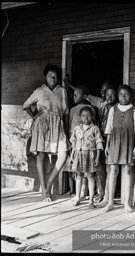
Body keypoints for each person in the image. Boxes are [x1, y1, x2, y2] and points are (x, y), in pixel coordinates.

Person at [23, 64, 70, 202]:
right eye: (50, 76)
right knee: (41, 156)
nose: (53, 78)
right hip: (41, 125)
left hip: (58, 124)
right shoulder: (39, 91)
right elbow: (25, 105)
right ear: (46, 76)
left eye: (55, 76)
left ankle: (47, 187)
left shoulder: (62, 91)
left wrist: (66, 130)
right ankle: (44, 191)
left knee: (63, 154)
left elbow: (66, 112)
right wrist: (34, 116)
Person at [103, 84, 135, 213]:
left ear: (130, 96)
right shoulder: (113, 110)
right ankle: (110, 202)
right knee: (113, 171)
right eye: (121, 94)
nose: (123, 97)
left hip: (128, 143)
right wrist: (107, 145)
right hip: (114, 143)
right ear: (118, 95)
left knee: (127, 172)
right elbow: (109, 129)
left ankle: (126, 203)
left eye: (126, 94)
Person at [63, 85, 97, 196]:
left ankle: (85, 192)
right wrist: (69, 142)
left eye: (77, 94)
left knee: (88, 171)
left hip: (88, 145)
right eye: (74, 93)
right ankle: (77, 192)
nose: (74, 95)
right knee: (77, 169)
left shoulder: (90, 108)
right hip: (76, 144)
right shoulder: (72, 109)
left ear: (85, 96)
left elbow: (94, 124)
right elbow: (69, 126)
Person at [69, 106, 104, 209]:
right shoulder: (77, 128)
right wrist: (72, 156)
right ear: (80, 117)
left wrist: (97, 158)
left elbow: (99, 143)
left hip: (90, 155)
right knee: (78, 176)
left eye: (88, 116)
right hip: (79, 155)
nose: (86, 118)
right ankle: (77, 197)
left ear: (92, 116)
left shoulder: (95, 129)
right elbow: (74, 144)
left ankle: (91, 201)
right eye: (83, 116)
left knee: (90, 177)